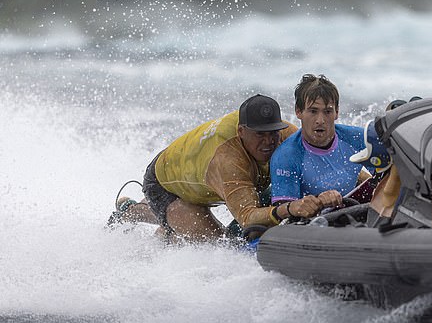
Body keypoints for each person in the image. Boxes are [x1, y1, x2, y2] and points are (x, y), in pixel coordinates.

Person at [111, 94, 324, 242]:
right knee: (218, 244)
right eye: (260, 134)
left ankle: (172, 225)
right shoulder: (228, 160)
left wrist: (358, 180)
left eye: (273, 133)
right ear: (241, 132)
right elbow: (247, 217)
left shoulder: (286, 135)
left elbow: (323, 160)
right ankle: (132, 212)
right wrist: (288, 209)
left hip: (203, 171)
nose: (269, 142)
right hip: (165, 184)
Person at [270, 74, 371, 215]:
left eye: (328, 111)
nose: (320, 120)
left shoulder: (359, 138)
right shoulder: (286, 156)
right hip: (313, 225)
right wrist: (318, 201)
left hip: (357, 212)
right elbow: (285, 215)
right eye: (313, 111)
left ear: (337, 112)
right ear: (298, 112)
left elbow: (387, 179)